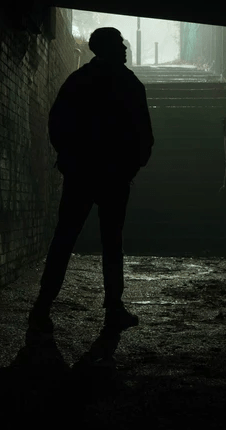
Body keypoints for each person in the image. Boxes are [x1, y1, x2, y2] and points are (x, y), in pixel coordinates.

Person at [27, 27, 154, 338]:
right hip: (114, 175)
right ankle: (113, 309)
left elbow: (57, 122)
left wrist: (69, 158)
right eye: (119, 43)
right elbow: (143, 134)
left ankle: (42, 305)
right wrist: (131, 166)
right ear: (108, 48)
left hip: (81, 174)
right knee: (112, 242)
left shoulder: (78, 80)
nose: (125, 47)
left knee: (65, 238)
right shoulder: (129, 84)